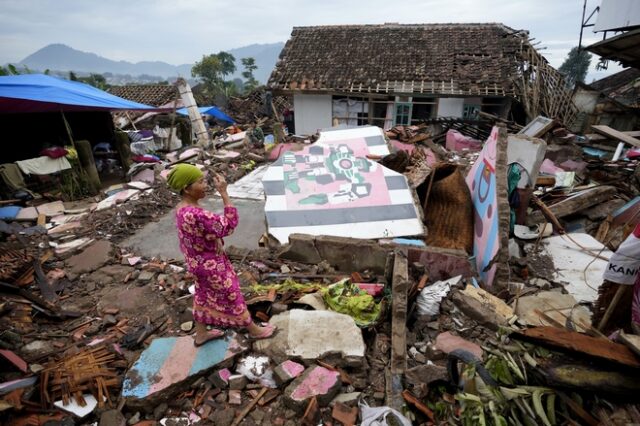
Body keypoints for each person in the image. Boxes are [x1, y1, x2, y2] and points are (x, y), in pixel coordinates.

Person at [167, 164, 276, 346]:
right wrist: (224, 193)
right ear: (187, 188)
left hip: (195, 262)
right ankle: (254, 330)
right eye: (200, 182)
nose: (206, 185)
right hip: (211, 265)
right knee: (232, 293)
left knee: (202, 295)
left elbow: (196, 233)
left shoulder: (182, 209)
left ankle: (201, 334)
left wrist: (214, 238)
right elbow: (229, 224)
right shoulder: (197, 214)